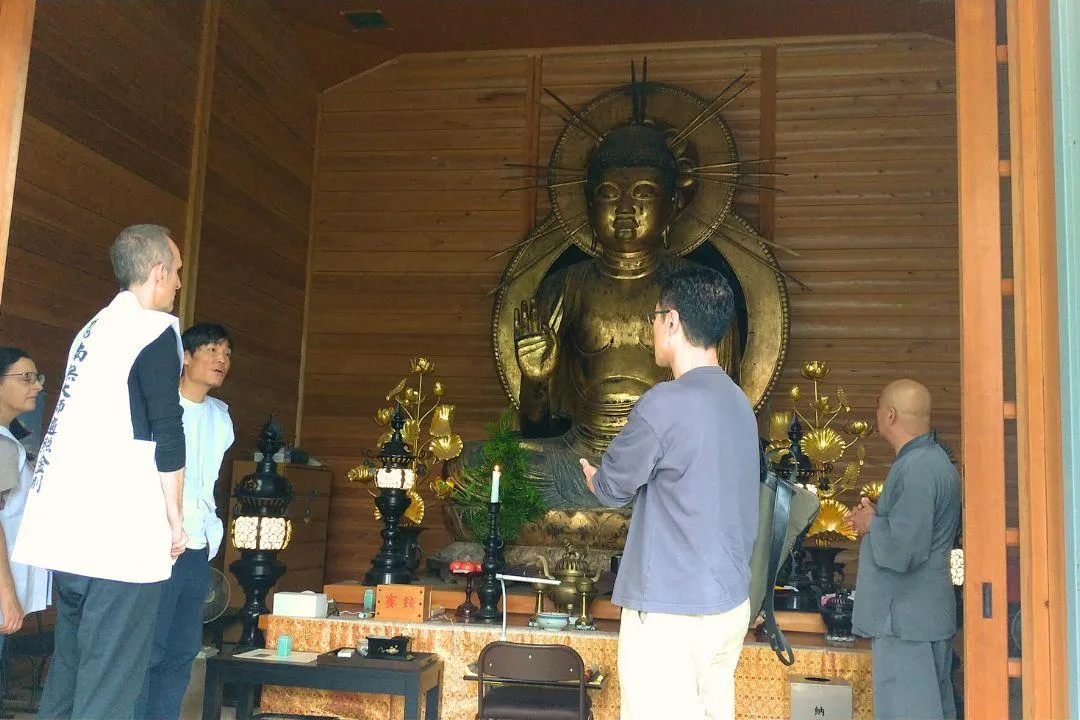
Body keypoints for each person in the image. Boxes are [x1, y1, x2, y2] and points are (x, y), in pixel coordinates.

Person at [12, 224, 188, 719]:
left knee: (71, 672)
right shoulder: (153, 331)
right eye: (177, 271)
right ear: (158, 272)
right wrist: (175, 518)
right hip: (120, 532)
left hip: (71, 528)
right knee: (111, 683)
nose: (179, 282)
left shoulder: (92, 331)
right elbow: (166, 430)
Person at [579, 265, 760, 720]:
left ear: (673, 321)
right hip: (727, 604)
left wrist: (595, 478)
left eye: (654, 317)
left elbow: (613, 488)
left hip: (670, 611)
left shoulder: (665, 401)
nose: (652, 328)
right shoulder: (740, 403)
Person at [847, 379, 961, 720]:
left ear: (890, 415)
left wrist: (871, 523)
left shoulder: (919, 468)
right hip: (918, 617)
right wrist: (878, 517)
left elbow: (904, 550)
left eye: (879, 407)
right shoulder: (927, 461)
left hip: (907, 621)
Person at [136, 323, 234, 720]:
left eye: (226, 354)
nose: (221, 360)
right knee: (150, 648)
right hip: (157, 543)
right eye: (211, 350)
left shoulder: (221, 418)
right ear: (187, 357)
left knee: (182, 650)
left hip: (197, 547)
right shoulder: (159, 406)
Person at [0, 348, 51, 654]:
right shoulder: (4, 445)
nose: (38, 385)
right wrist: (7, 594)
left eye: (37, 377)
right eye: (26, 377)